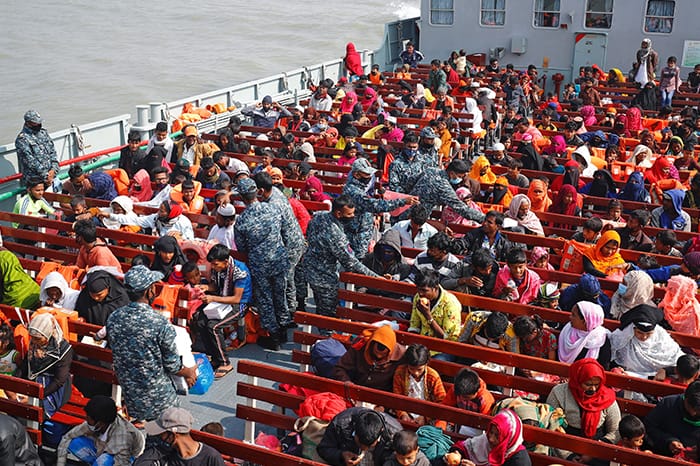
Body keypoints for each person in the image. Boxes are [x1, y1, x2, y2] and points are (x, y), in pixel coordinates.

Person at [107, 266, 197, 422]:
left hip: (130, 395)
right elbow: (172, 365)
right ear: (149, 291)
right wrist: (188, 372)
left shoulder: (114, 318)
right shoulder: (159, 323)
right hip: (159, 398)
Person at [234, 178, 290, 350]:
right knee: (280, 294)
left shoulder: (242, 221)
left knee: (265, 299)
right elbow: (285, 230)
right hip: (278, 259)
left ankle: (273, 337)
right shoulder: (272, 208)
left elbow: (242, 247)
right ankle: (283, 331)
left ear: (243, 197)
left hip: (259, 265)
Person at [304, 195, 380, 317]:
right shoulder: (336, 235)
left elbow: (308, 232)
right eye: (349, 214)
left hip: (310, 269)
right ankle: (325, 335)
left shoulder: (319, 216)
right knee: (328, 314)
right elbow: (351, 262)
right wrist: (377, 278)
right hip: (324, 277)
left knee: (320, 308)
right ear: (338, 214)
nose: (353, 217)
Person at [546, 358, 621, 462]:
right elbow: (551, 427)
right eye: (588, 384)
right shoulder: (559, 393)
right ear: (577, 380)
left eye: (596, 384)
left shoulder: (607, 397)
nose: (593, 389)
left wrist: (594, 451)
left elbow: (615, 430)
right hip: (566, 445)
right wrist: (568, 456)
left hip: (599, 449)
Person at [343, 158, 417, 260]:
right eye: (366, 174)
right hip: (357, 234)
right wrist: (402, 201)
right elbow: (374, 205)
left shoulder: (358, 187)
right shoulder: (354, 191)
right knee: (357, 262)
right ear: (356, 175)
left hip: (363, 231)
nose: (369, 177)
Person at [194, 244, 251, 376]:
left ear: (225, 262)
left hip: (240, 305)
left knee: (214, 327)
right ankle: (214, 357)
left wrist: (213, 298)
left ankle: (225, 363)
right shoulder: (217, 269)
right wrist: (206, 288)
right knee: (201, 321)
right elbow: (215, 285)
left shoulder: (239, 271)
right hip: (222, 301)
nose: (213, 267)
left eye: (215, 265)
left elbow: (236, 298)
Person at [57, 395, 145, 466]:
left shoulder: (122, 438)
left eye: (89, 418)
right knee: (74, 442)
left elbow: (122, 463)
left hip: (125, 457)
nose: (86, 420)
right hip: (102, 447)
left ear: (100, 422)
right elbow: (67, 437)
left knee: (103, 460)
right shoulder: (93, 423)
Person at [16, 313, 73, 417]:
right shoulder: (34, 344)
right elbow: (26, 364)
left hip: (51, 388)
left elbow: (59, 381)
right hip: (33, 382)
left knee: (34, 410)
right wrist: (14, 385)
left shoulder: (63, 350)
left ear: (48, 334)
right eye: (32, 337)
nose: (33, 341)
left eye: (37, 338)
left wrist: (37, 396)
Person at [610, 304, 685, 381]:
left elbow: (681, 362)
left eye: (649, 333)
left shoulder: (662, 338)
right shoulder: (621, 338)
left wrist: (665, 370)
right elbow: (613, 357)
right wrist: (618, 369)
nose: (644, 337)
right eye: (639, 332)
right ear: (633, 329)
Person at [408, 160, 485, 226]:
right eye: (459, 176)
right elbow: (460, 207)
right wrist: (483, 218)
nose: (460, 179)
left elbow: (412, 182)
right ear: (451, 173)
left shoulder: (430, 170)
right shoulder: (443, 186)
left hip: (407, 206)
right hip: (417, 217)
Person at [317, 407, 402, 466]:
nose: (364, 449)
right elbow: (323, 449)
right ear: (355, 430)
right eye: (360, 444)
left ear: (381, 432)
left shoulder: (394, 433)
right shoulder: (341, 424)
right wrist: (341, 455)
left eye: (369, 446)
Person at [141, 407, 224, 466]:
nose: (158, 436)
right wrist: (159, 449)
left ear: (173, 435)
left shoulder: (211, 457)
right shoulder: (165, 453)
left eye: (161, 433)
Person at [444, 410, 531, 466]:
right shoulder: (484, 442)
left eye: (497, 436)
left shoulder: (519, 461)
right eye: (491, 432)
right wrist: (457, 454)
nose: (491, 439)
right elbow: (464, 447)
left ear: (508, 438)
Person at [392, 344, 446, 425]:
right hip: (406, 412)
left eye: (419, 369)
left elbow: (441, 401)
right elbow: (397, 397)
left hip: (427, 415)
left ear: (426, 364)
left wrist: (425, 417)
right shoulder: (400, 373)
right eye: (411, 369)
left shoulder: (433, 376)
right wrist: (403, 414)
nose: (416, 373)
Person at [644, 380, 700, 456]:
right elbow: (648, 426)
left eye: (698, 410)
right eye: (691, 407)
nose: (693, 413)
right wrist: (669, 441)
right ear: (685, 398)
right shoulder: (669, 404)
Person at [407, 270, 461, 347]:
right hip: (423, 343)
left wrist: (428, 316)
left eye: (424, 290)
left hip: (443, 347)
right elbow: (414, 324)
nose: (420, 293)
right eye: (418, 289)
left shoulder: (450, 303)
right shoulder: (418, 297)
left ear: (435, 288)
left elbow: (448, 339)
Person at [557, 302, 611, 369]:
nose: (570, 317)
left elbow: (603, 366)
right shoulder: (567, 330)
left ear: (585, 321)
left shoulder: (601, 339)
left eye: (573, 315)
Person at [442, 368, 495, 433]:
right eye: (460, 395)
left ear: (476, 391)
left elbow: (485, 423)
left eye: (466, 397)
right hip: (457, 421)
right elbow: (445, 408)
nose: (461, 398)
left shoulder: (485, 400)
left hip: (475, 427)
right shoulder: (457, 389)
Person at [15, 110, 59, 186]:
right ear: (28, 123)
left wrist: (53, 170)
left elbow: (52, 152)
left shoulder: (43, 133)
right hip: (35, 181)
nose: (39, 124)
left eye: (39, 122)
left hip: (51, 176)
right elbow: (30, 161)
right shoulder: (22, 139)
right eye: (36, 123)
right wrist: (46, 176)